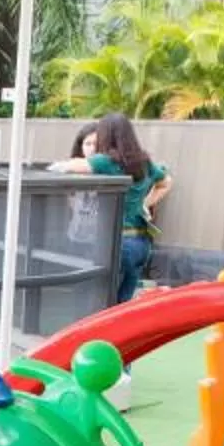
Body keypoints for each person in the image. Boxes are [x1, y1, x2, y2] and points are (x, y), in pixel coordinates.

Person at [52, 113, 170, 303]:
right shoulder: (144, 162)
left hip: (119, 244)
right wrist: (145, 203)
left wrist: (55, 167)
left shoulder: (106, 162)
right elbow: (166, 182)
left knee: (101, 302)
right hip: (142, 243)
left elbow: (73, 166)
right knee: (123, 302)